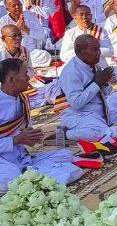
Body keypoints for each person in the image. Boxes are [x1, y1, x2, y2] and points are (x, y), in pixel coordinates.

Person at [0, 58, 84, 192]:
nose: (29, 78)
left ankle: (30, 176)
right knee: (10, 179)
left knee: (66, 155)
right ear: (11, 79)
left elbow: (24, 131)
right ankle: (29, 178)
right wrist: (15, 140)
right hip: (3, 159)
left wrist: (32, 137)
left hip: (20, 156)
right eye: (25, 73)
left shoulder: (22, 99)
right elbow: (16, 138)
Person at [56, 34, 117, 146]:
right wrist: (97, 83)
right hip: (79, 115)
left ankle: (105, 129)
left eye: (99, 48)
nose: (99, 52)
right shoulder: (71, 72)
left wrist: (104, 82)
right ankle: (66, 133)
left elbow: (106, 92)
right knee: (98, 132)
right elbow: (76, 103)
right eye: (95, 49)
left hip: (100, 113)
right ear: (80, 51)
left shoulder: (93, 65)